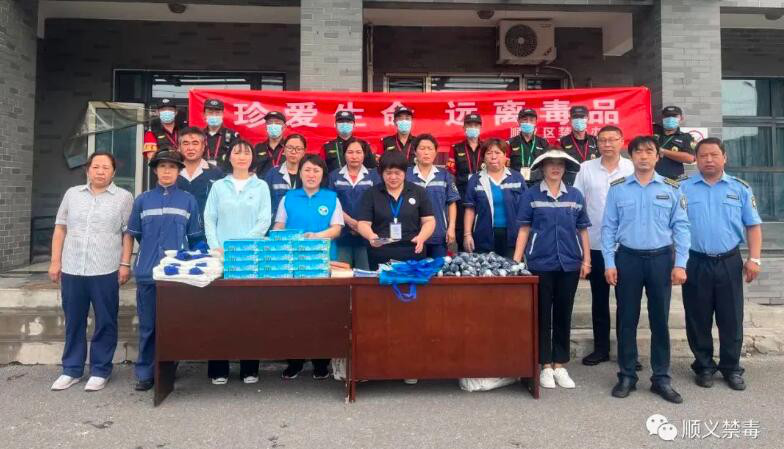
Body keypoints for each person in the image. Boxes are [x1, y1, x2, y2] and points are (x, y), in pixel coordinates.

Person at [602, 135, 690, 403]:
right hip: (628, 259)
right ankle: (627, 375)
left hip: (661, 260)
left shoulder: (672, 188)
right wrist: (609, 262)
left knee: (659, 320)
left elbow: (681, 227)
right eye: (638, 151)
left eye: (649, 151)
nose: (643, 156)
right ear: (631, 157)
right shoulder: (618, 189)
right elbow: (608, 228)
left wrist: (680, 263)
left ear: (657, 156)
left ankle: (661, 378)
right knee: (626, 319)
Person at [680, 137, 762, 391]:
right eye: (703, 155)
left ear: (724, 157)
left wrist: (754, 258)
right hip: (695, 261)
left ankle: (731, 368)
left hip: (729, 261)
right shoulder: (682, 188)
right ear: (696, 159)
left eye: (714, 155)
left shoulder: (740, 188)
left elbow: (753, 225)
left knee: (731, 318)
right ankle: (704, 366)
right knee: (698, 318)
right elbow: (672, 226)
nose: (709, 160)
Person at [48, 152, 134, 392]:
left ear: (113, 172)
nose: (100, 171)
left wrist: (125, 264)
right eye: (96, 167)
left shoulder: (123, 197)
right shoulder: (72, 194)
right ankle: (71, 369)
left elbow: (128, 234)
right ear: (88, 170)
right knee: (74, 320)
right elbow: (60, 229)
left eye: (106, 167)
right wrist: (55, 261)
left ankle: (100, 370)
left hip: (105, 269)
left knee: (106, 320)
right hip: (72, 267)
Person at [513, 150, 591, 390]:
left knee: (563, 314)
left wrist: (586, 260)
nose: (555, 168)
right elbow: (524, 229)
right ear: (543, 168)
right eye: (551, 164)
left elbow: (582, 229)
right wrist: (516, 262)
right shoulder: (531, 195)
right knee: (542, 314)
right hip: (540, 263)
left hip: (569, 263)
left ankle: (560, 364)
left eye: (560, 164)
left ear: (565, 169)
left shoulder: (575, 195)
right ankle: (545, 364)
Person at [126, 149, 202, 391]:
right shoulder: (142, 200)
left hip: (176, 275)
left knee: (173, 324)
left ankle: (168, 369)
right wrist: (126, 264)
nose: (167, 171)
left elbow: (195, 238)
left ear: (179, 171)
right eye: (162, 166)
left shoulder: (188, 200)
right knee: (148, 326)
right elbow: (134, 234)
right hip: (148, 273)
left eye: (172, 167)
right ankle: (145, 372)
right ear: (155, 171)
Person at [203, 140, 272, 385]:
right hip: (221, 257)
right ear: (229, 157)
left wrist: (241, 246)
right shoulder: (218, 186)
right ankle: (218, 368)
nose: (242, 157)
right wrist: (216, 247)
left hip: (250, 256)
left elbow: (264, 220)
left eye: (246, 153)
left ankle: (249, 368)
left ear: (252, 158)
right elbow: (209, 218)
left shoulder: (261, 186)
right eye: (237, 152)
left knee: (250, 313)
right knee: (219, 314)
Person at [273, 154, 344, 380]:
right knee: (293, 313)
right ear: (300, 173)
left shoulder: (331, 198)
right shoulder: (289, 197)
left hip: (323, 261)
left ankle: (321, 363)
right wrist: (283, 238)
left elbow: (337, 228)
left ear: (322, 175)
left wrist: (317, 236)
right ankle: (294, 362)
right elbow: (279, 225)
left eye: (316, 170)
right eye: (307, 170)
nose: (311, 175)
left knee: (323, 313)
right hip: (293, 263)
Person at [573, 125, 635, 367]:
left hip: (626, 245)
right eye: (602, 140)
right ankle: (601, 349)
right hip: (596, 244)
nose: (607, 144)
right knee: (599, 300)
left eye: (612, 139)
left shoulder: (632, 168)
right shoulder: (586, 168)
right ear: (596, 143)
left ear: (622, 141)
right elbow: (576, 204)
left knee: (626, 301)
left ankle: (627, 352)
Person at [357, 150, 435, 271]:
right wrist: (371, 236)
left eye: (397, 173)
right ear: (381, 173)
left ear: (405, 172)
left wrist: (422, 237)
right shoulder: (371, 193)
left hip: (412, 251)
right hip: (381, 252)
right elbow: (363, 223)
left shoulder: (418, 192)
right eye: (388, 173)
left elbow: (429, 220)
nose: (393, 177)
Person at [463, 139, 526, 257]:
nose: (493, 157)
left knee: (511, 267)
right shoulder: (475, 180)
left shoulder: (517, 178)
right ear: (483, 157)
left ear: (505, 156)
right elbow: (470, 209)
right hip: (483, 236)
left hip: (512, 237)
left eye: (497, 153)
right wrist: (467, 234)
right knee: (485, 268)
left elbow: (525, 209)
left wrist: (525, 234)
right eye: (489, 153)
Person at [328, 138, 381, 270]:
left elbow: (377, 203)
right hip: (342, 234)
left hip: (367, 236)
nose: (354, 156)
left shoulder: (374, 176)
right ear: (344, 154)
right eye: (350, 152)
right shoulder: (334, 176)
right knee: (342, 274)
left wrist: (362, 226)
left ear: (364, 154)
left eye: (358, 152)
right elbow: (331, 203)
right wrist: (351, 222)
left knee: (365, 274)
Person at [407, 134, 459, 258]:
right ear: (415, 152)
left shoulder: (444, 175)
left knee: (439, 269)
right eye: (422, 148)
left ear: (435, 152)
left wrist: (451, 228)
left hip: (439, 235)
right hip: (413, 236)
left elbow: (452, 203)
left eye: (430, 149)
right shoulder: (406, 175)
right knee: (415, 269)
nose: (426, 152)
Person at [176, 126, 224, 248]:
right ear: (179, 147)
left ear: (203, 147)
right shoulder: (172, 173)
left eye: (195, 143)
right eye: (185, 143)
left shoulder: (216, 173)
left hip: (207, 237)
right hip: (176, 235)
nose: (190, 148)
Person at [447, 113, 483, 252]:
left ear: (480, 127)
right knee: (462, 227)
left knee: (481, 225)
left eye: (475, 125)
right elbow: (451, 173)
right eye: (469, 125)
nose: (473, 127)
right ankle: (463, 256)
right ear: (464, 127)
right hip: (462, 192)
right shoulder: (456, 148)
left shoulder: (486, 147)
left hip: (482, 191)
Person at [264, 133, 307, 217]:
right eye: (290, 148)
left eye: (298, 149)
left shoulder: (308, 174)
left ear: (304, 152)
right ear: (284, 150)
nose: (293, 152)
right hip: (277, 222)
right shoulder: (272, 174)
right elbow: (265, 202)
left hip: (302, 221)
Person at [559, 105, 600, 185]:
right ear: (570, 120)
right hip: (570, 183)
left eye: (582, 117)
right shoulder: (562, 142)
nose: (579, 120)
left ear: (588, 119)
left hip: (592, 182)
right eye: (575, 117)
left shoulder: (595, 141)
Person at [653, 105, 696, 180]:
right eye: (667, 116)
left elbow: (690, 158)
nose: (670, 119)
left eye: (674, 116)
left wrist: (663, 151)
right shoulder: (652, 131)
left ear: (681, 118)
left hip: (673, 180)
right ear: (662, 118)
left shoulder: (686, 137)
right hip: (652, 179)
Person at [508, 108, 549, 186]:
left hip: (538, 184)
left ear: (535, 122)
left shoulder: (543, 143)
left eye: (531, 120)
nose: (528, 123)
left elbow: (547, 165)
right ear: (518, 121)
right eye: (525, 120)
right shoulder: (510, 143)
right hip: (516, 184)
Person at [202, 98, 241, 169]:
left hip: (225, 174)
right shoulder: (198, 135)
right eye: (210, 112)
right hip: (202, 173)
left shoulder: (233, 136)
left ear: (222, 114)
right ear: (204, 114)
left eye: (217, 112)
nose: (214, 115)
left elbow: (238, 158)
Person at [254, 111, 288, 176]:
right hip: (262, 182)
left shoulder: (289, 147)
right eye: (270, 122)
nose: (273, 125)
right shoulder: (258, 148)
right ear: (266, 126)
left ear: (284, 126)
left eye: (277, 123)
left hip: (284, 182)